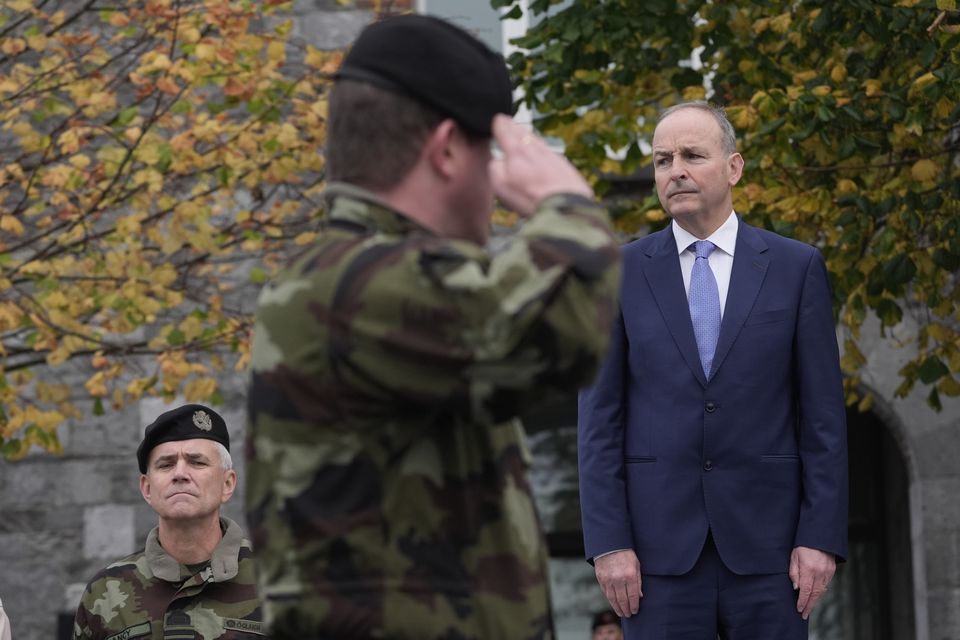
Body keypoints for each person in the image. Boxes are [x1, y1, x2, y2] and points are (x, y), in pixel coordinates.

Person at [244, 13, 623, 640]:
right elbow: (556, 333)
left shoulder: (373, 280)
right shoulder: (353, 285)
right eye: (489, 157)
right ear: (447, 149)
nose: (497, 186)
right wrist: (569, 206)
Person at [577, 101, 848, 638]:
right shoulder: (616, 275)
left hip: (772, 555)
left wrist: (819, 536)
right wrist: (609, 543)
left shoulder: (796, 269)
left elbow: (823, 419)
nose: (674, 169)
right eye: (661, 159)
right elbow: (598, 423)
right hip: (655, 560)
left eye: (692, 155)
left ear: (734, 167)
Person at [73, 404, 263, 639]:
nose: (180, 473)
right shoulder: (106, 591)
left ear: (227, 484)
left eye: (197, 462)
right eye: (166, 464)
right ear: (147, 488)